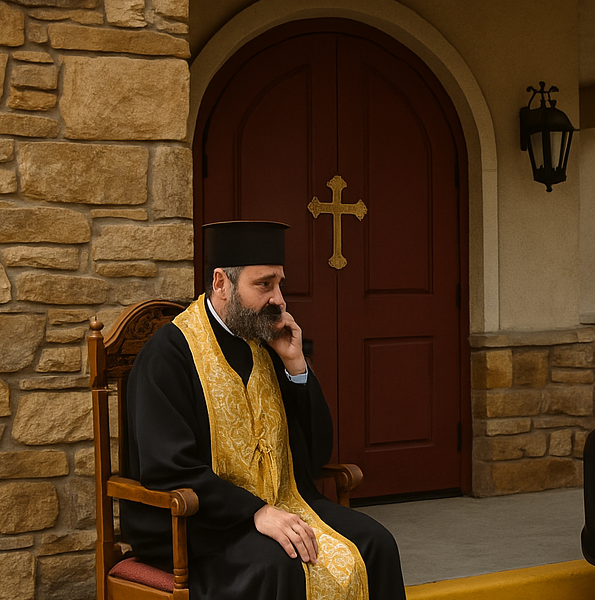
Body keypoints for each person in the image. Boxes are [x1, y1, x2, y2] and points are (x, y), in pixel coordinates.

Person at [123, 221, 405, 600]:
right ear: (221, 283)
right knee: (280, 563)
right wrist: (254, 511)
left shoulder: (263, 340)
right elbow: (168, 467)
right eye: (264, 284)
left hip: (283, 503)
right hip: (198, 523)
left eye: (279, 284)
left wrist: (296, 366)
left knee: (377, 544)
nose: (279, 299)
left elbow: (317, 452)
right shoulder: (170, 354)